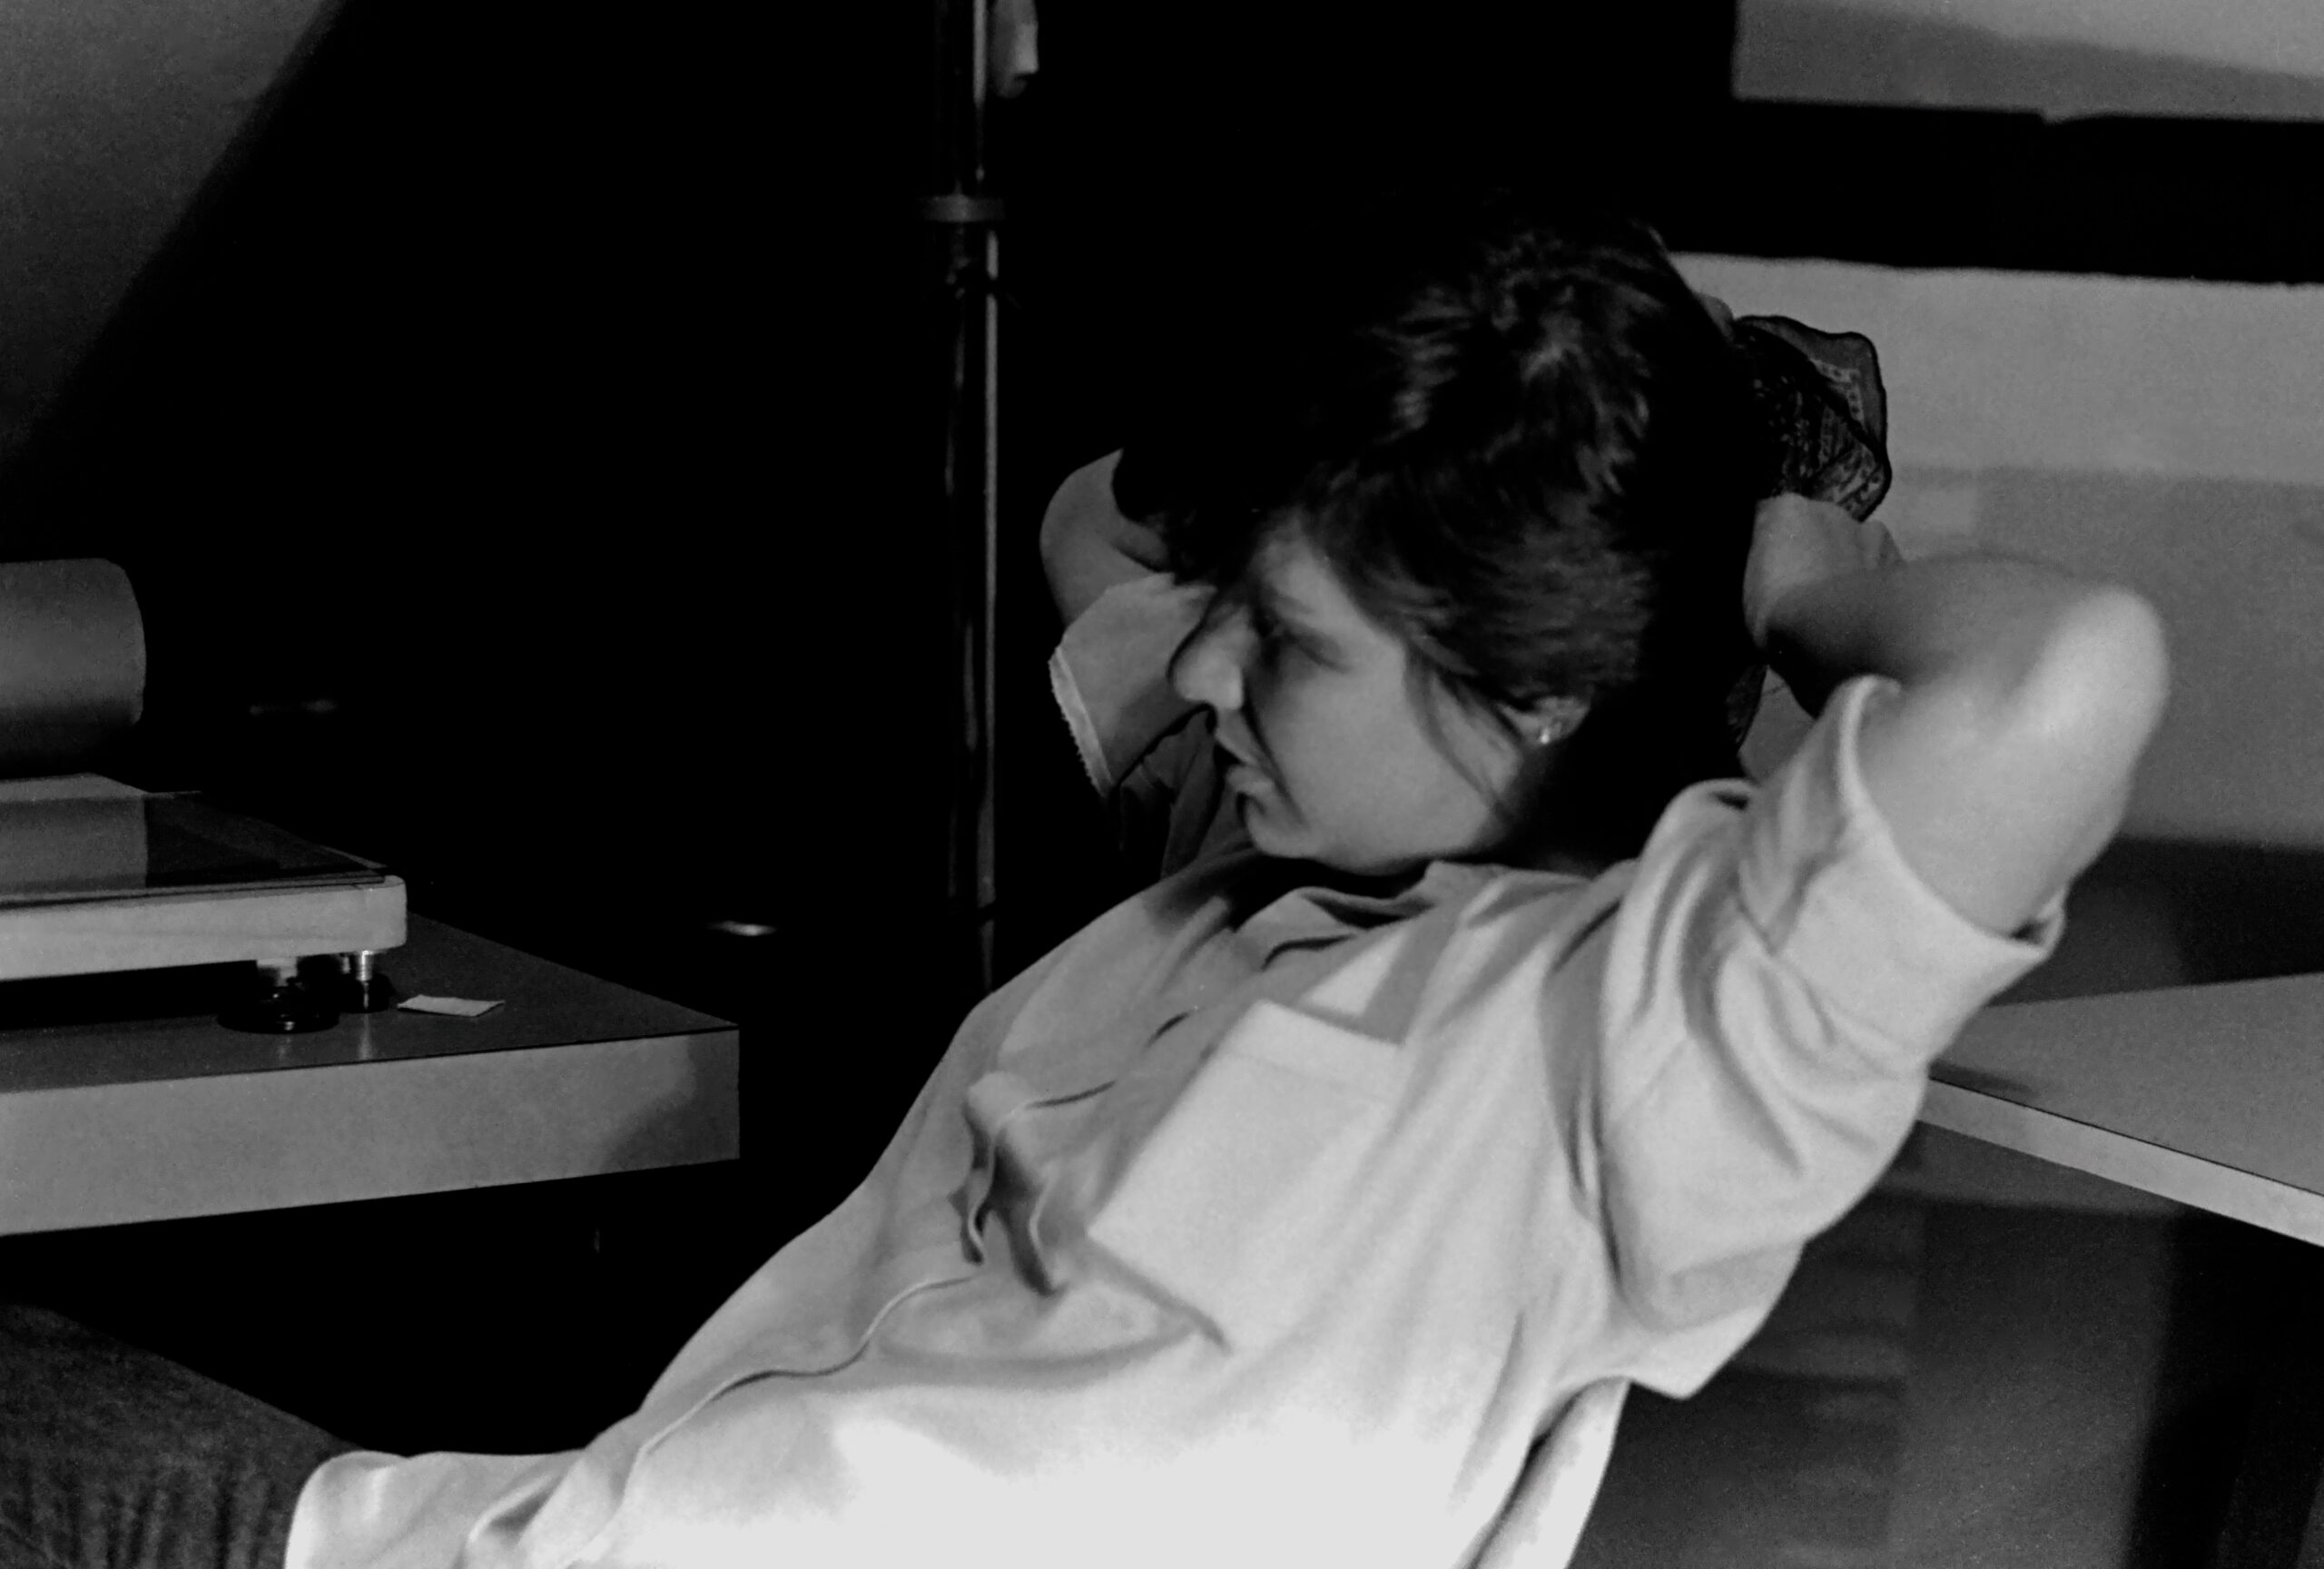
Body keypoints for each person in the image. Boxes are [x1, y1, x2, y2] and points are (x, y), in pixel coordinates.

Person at [0, 203, 2167, 1569]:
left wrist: (1781, 563)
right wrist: (1366, 437)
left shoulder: (1630, 1034)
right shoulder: (1261, 841)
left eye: (1285, 643)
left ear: (1532, 696)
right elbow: (1090, 518)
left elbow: (2060, 675)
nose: (1202, 670)